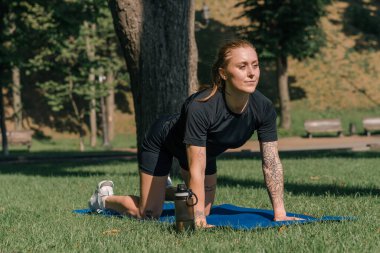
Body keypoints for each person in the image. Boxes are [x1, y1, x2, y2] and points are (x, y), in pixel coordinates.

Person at [88, 39, 301, 227]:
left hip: (203, 152)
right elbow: (196, 165)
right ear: (224, 73)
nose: (252, 73)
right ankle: (104, 198)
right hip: (164, 141)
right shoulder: (202, 107)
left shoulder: (263, 107)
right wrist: (198, 219)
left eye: (255, 65)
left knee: (205, 210)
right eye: (242, 66)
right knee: (149, 213)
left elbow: (271, 162)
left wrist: (280, 213)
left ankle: (163, 187)